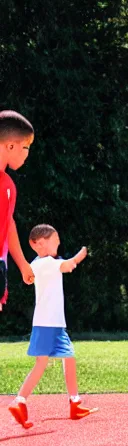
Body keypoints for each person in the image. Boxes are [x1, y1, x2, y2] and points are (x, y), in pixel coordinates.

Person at [8, 224, 97, 428]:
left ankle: (74, 402)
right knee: (46, 363)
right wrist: (81, 255)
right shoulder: (46, 262)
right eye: (54, 240)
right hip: (49, 324)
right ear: (38, 243)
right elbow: (68, 266)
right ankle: (20, 401)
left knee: (66, 357)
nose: (58, 243)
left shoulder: (40, 263)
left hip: (51, 324)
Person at [0, 110, 36, 310]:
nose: (27, 154)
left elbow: (8, 223)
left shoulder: (7, 185)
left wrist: (22, 264)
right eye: (25, 147)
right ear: (10, 145)